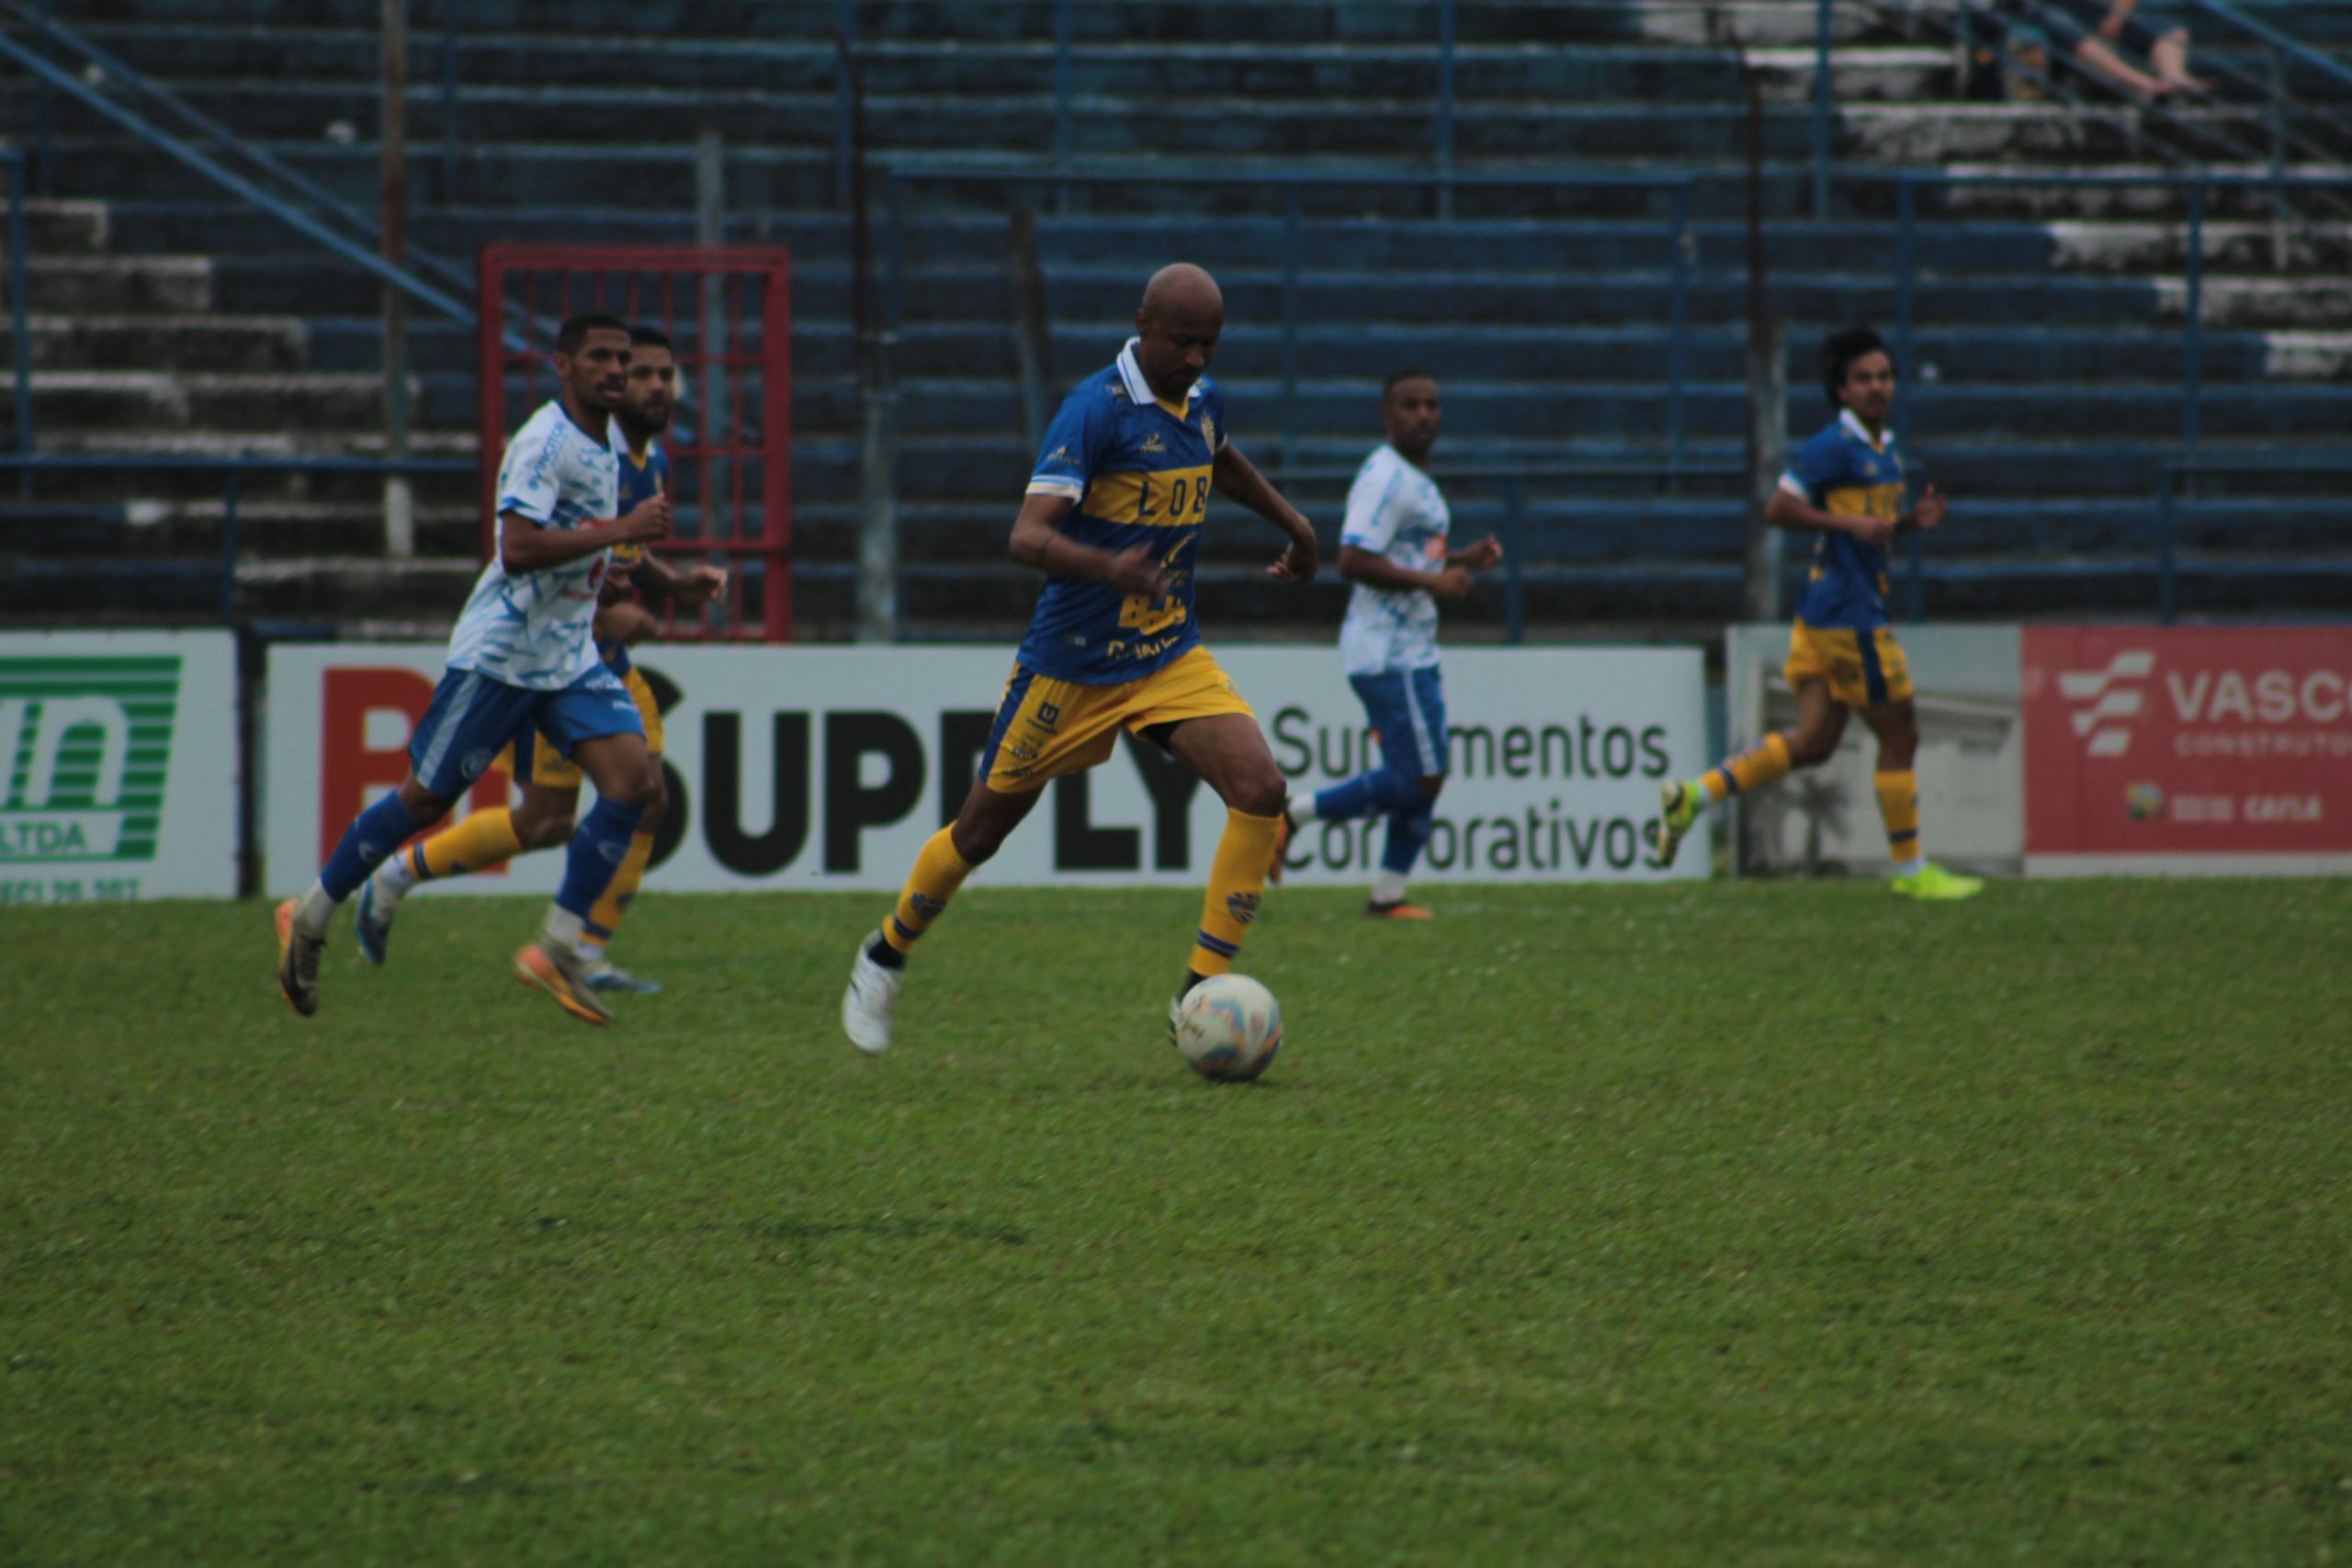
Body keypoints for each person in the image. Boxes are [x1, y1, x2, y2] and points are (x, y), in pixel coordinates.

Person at [839, 263, 1319, 1055]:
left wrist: (1294, 523)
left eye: (1211, 343)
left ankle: (1198, 995)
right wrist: (1111, 565)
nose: (1198, 358)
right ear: (1142, 323)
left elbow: (1218, 453)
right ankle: (884, 954)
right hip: (1073, 663)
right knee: (979, 831)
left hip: (1166, 651)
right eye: (1182, 340)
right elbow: (1025, 537)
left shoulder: (1201, 399)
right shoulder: (1094, 411)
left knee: (1260, 788)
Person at [274, 311, 674, 1025]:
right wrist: (619, 533)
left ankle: (560, 942)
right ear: (563, 366)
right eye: (601, 359)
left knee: (637, 785)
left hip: (568, 653)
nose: (616, 370)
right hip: (503, 654)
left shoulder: (607, 444)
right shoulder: (544, 441)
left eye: (623, 358)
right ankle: (309, 915)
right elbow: (516, 548)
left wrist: (603, 574)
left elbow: (569, 540)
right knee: (423, 801)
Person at [352, 325, 726, 995]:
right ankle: (401, 874)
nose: (652, 386)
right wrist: (608, 611)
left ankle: (582, 946)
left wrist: (672, 586)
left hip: (602, 663)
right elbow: (534, 553)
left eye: (664, 374)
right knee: (549, 820)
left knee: (642, 795)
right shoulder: (583, 449)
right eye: (639, 373)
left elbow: (617, 554)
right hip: (553, 661)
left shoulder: (652, 462)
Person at [1651, 325, 1984, 900]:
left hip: (1824, 615)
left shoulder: (1885, 448)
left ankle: (1692, 797)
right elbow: (1778, 507)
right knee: (1901, 735)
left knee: (1813, 743)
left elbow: (1866, 531)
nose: (1877, 387)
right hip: (1849, 620)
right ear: (1841, 389)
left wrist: (1908, 525)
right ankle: (1912, 873)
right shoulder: (1833, 446)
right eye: (1864, 379)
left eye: (1884, 377)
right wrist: (1846, 523)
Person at [1268, 369, 1500, 919]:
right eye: (1410, 405)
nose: (1424, 415)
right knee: (1418, 774)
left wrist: (1460, 559)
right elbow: (1352, 559)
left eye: (1432, 405)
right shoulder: (1387, 479)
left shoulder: (1417, 480)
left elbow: (1409, 553)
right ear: (1386, 414)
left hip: (1411, 648)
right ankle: (1292, 815)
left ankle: (1388, 895)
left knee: (1427, 772)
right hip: (1387, 652)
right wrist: (1435, 583)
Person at [2035, 0, 2206, 99]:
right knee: (2071, 33)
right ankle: (2145, 85)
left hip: (2101, 11)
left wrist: (2117, 16)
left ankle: (2173, 76)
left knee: (2172, 30)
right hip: (2058, 13)